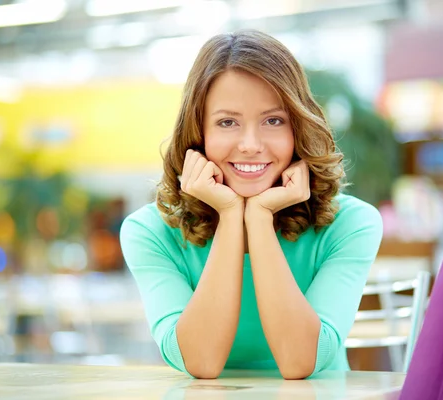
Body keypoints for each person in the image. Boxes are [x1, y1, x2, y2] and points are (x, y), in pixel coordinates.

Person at [120, 30, 383, 380]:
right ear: (198, 133)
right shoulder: (150, 232)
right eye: (227, 122)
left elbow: (301, 360)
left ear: (298, 128)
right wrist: (231, 216)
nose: (250, 144)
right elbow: (200, 361)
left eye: (273, 121)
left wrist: (258, 218)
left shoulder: (351, 223)